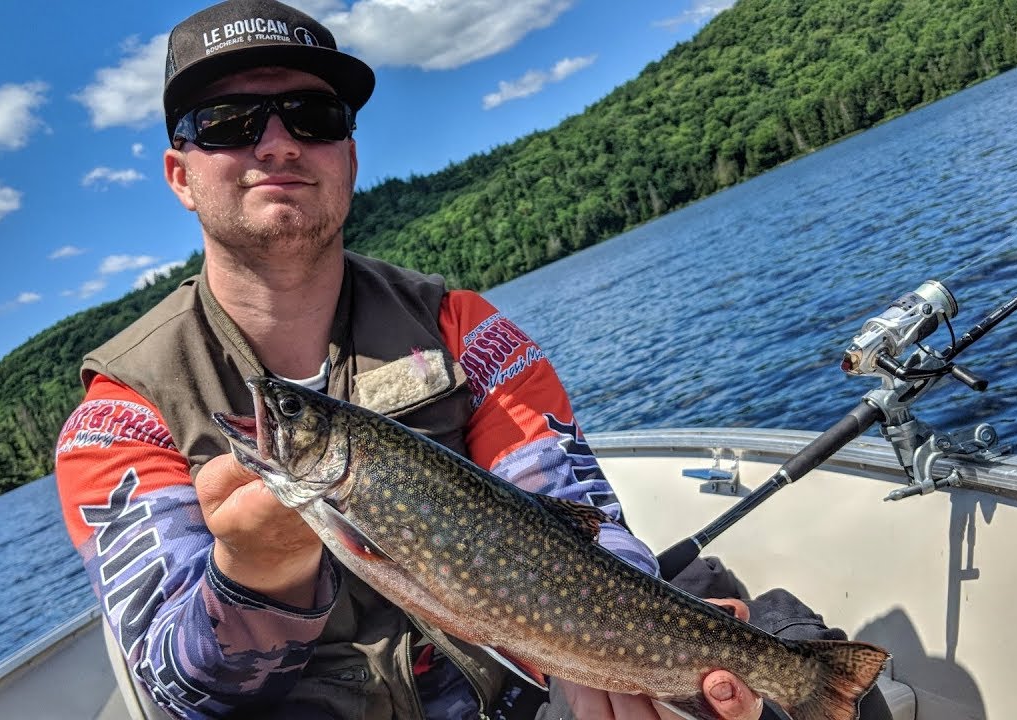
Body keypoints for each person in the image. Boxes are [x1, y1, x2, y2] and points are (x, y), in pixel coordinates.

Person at [55, 2, 887, 719]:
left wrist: (619, 664)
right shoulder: (119, 417)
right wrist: (257, 571)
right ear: (180, 176)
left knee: (794, 667)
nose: (277, 144)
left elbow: (576, 514)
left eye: (312, 116)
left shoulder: (462, 327)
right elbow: (178, 689)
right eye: (228, 124)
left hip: (526, 688)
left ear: (348, 155)